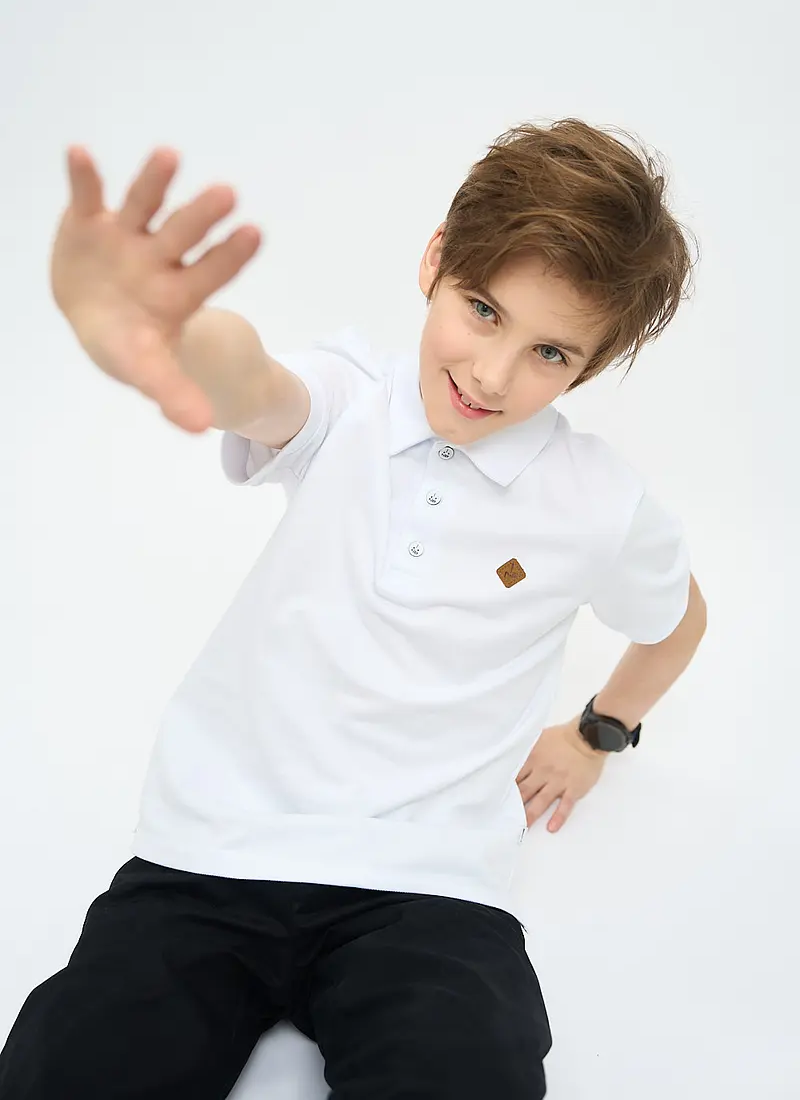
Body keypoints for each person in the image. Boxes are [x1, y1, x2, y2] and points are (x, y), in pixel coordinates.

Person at [0, 119, 708, 1099]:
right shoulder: (348, 401)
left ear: (585, 367)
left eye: (549, 351)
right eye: (482, 310)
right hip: (210, 855)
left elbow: (676, 621)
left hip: (428, 889)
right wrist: (167, 333)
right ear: (434, 259)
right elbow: (253, 383)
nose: (492, 374)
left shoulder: (598, 501)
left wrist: (598, 733)